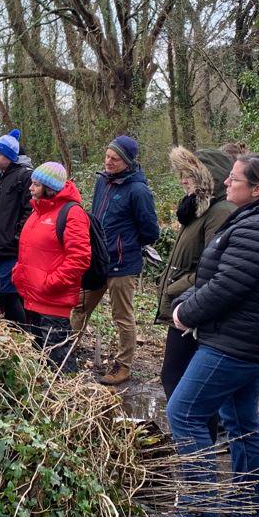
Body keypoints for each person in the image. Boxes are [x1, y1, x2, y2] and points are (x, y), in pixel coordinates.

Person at [167, 154, 259, 517]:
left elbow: (228, 285)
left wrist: (184, 313)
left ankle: (199, 514)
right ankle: (246, 508)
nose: (226, 184)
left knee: (184, 413)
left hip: (233, 341)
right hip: (248, 338)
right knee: (241, 421)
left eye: (234, 179)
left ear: (257, 189)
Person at [69, 135, 160, 386]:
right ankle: (67, 350)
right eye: (107, 156)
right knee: (79, 306)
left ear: (128, 162)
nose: (108, 162)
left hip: (123, 264)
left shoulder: (139, 190)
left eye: (115, 158)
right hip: (97, 260)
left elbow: (151, 231)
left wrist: (126, 244)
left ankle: (124, 366)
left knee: (122, 316)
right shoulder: (102, 182)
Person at [156, 147, 237, 412]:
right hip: (184, 306)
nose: (182, 180)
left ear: (207, 177)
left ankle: (194, 443)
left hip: (194, 309)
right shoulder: (196, 209)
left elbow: (214, 267)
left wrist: (174, 289)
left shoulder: (220, 211)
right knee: (176, 378)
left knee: (178, 379)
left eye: (188, 175)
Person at [12, 162, 91, 370]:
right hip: (33, 297)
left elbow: (79, 258)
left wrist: (50, 283)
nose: (31, 188)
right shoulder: (38, 211)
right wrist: (19, 273)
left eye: (36, 184)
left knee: (58, 362)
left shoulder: (72, 214)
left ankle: (66, 400)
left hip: (52, 301)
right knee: (39, 359)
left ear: (49, 188)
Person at [0, 129, 33, 324]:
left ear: (9, 155)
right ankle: (12, 336)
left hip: (12, 248)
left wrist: (17, 237)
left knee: (11, 294)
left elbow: (29, 210)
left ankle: (25, 335)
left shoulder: (23, 177)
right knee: (3, 294)